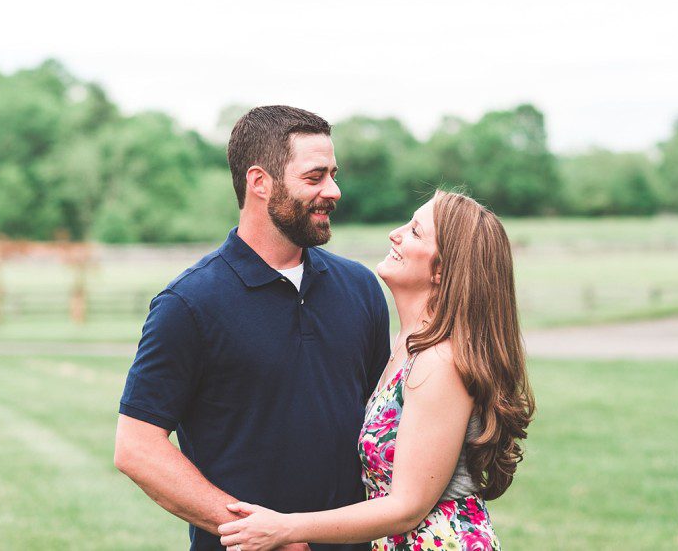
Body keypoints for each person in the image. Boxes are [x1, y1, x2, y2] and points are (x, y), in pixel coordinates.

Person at [114, 105, 391, 551]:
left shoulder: (361, 288)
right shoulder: (188, 303)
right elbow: (137, 447)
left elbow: (383, 424)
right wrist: (260, 533)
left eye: (333, 175)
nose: (334, 191)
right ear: (259, 182)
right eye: (315, 177)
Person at [217, 190, 536, 551]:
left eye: (415, 231)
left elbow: (406, 507)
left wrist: (286, 527)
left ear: (443, 268)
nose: (395, 234)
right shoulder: (408, 346)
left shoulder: (438, 362)